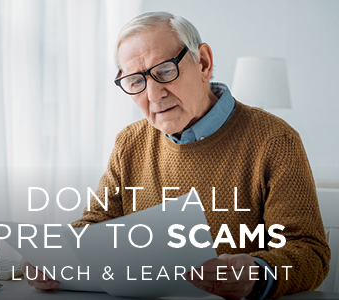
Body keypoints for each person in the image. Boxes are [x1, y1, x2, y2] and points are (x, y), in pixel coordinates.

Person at [21, 11, 330, 299]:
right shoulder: (129, 143)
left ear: (204, 63)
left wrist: (258, 273)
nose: (154, 95)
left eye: (165, 71)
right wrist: (53, 257)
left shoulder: (275, 140)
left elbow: (310, 251)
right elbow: (96, 223)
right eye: (136, 81)